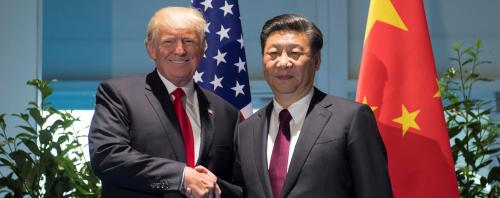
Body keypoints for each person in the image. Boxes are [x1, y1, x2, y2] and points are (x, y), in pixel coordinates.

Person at [234, 14, 393, 197]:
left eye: (295, 53)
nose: (283, 62)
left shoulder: (351, 118)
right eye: (273, 54)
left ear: (316, 61)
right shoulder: (246, 129)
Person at [89, 7, 241, 198]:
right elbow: (107, 157)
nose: (180, 50)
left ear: (203, 48)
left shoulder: (227, 113)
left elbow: (242, 188)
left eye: (189, 41)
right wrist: (181, 176)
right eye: (169, 41)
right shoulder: (119, 95)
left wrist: (214, 187)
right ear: (151, 49)